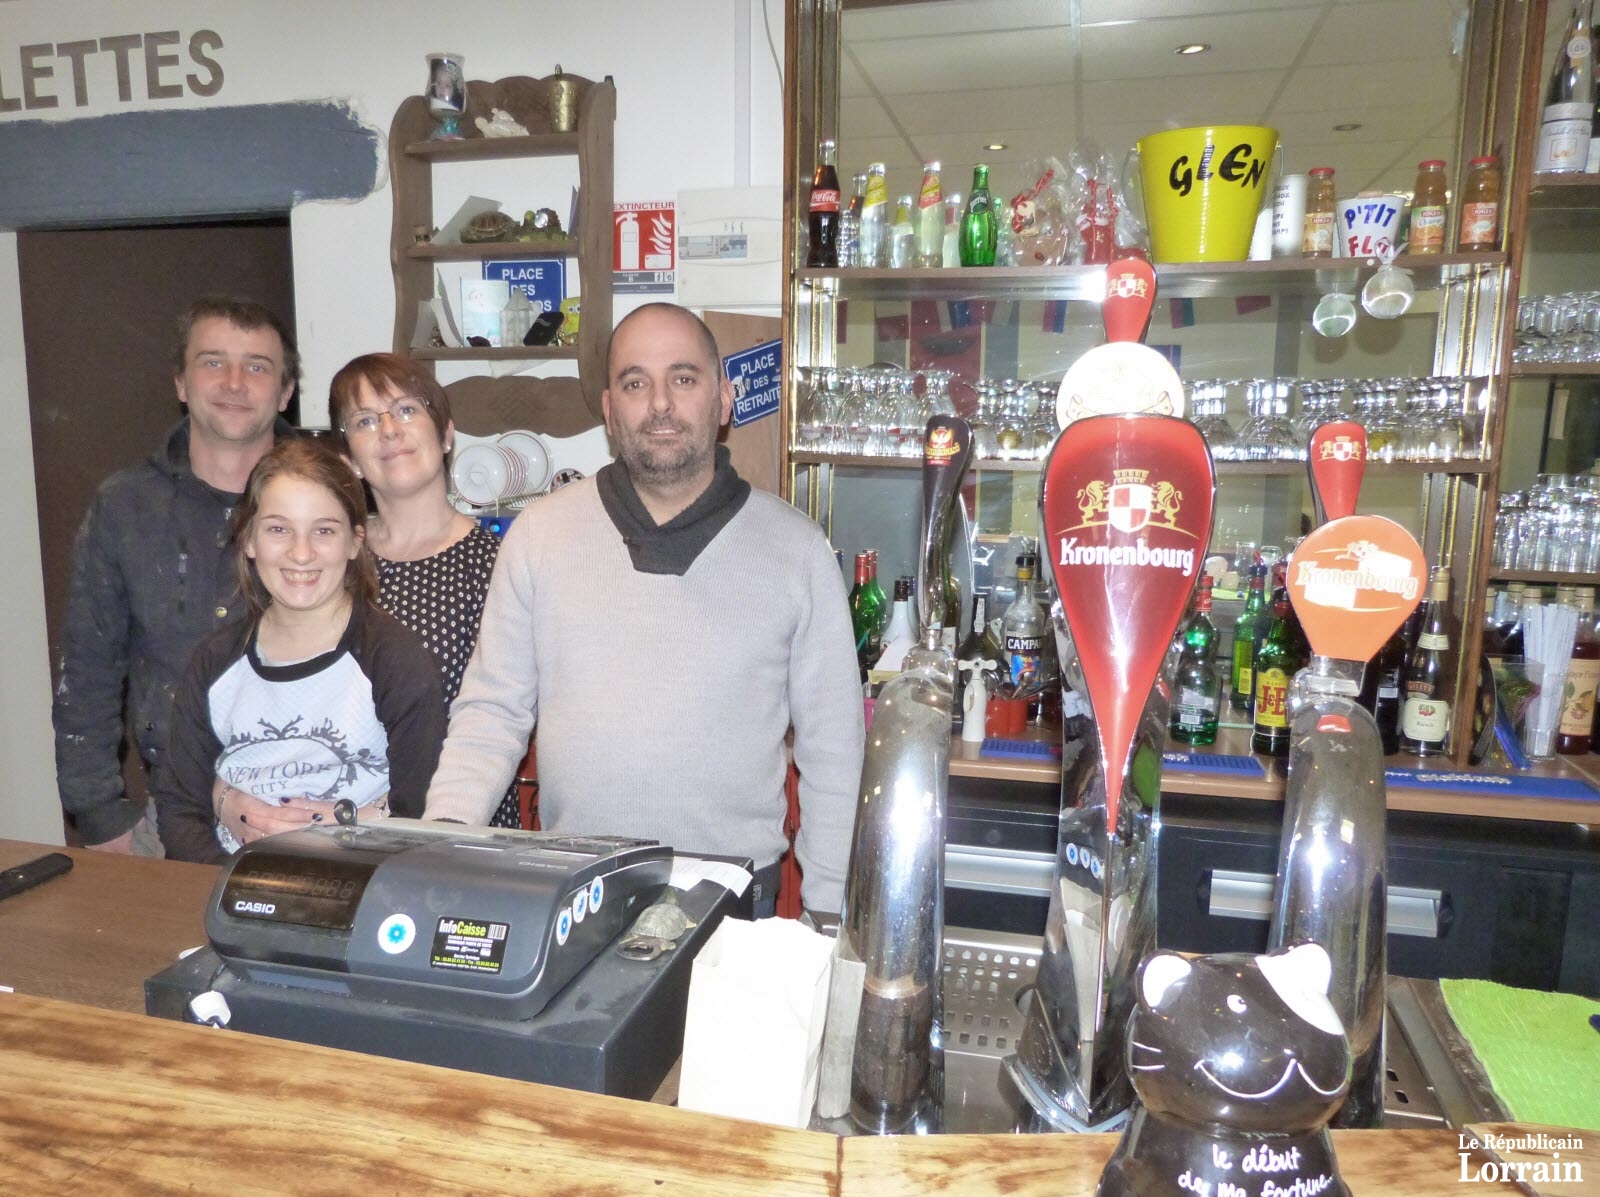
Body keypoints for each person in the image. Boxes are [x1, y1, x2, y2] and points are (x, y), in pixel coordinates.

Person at [425, 303, 865, 916]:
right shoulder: (540, 534)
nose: (660, 402)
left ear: (724, 399)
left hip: (731, 899)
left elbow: (834, 747)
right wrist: (442, 839)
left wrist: (827, 911)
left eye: (683, 378)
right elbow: (492, 711)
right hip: (575, 890)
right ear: (610, 411)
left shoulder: (798, 551)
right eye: (636, 383)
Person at [215, 352, 522, 841]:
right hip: (298, 833)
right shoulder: (314, 560)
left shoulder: (501, 565)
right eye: (363, 420)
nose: (389, 431)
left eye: (406, 410)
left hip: (457, 834)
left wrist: (360, 818)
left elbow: (503, 724)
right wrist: (225, 795)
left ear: (445, 433)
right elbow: (246, 698)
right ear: (349, 458)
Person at [52, 295, 299, 854]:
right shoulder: (125, 506)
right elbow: (87, 671)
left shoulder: (331, 499)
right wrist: (99, 815)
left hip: (313, 811)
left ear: (285, 392)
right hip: (169, 820)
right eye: (213, 362)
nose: (234, 382)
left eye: (257, 367)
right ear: (181, 383)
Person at [153, 439, 446, 863]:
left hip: (359, 887)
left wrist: (355, 825)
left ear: (354, 542)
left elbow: (421, 807)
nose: (301, 552)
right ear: (249, 540)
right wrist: (230, 888)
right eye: (278, 529)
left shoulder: (392, 658)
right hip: (232, 889)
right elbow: (180, 806)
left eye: (324, 530)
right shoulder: (215, 662)